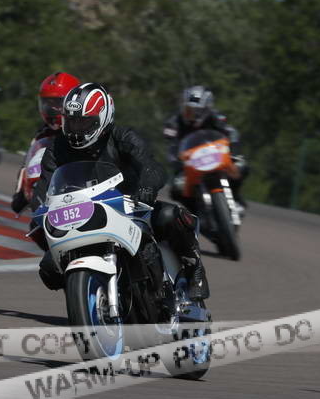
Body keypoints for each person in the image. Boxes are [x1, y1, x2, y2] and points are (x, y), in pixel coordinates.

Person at [30, 82, 210, 301]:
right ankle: (87, 293)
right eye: (72, 121)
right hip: (84, 216)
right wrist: (39, 210)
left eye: (84, 122)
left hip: (132, 209)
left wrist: (146, 187)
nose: (76, 129)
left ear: (103, 118)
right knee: (49, 268)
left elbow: (151, 166)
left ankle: (194, 269)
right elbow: (44, 185)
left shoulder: (123, 136)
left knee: (170, 216)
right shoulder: (57, 148)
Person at [163, 85, 248, 209]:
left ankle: (236, 198)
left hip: (215, 157)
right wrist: (178, 165)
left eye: (196, 111)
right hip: (188, 164)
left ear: (206, 109)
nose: (191, 114)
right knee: (176, 189)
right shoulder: (174, 122)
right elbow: (171, 145)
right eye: (188, 109)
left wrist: (233, 153)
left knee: (241, 166)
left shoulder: (216, 117)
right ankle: (192, 213)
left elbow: (231, 133)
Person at [9, 72, 81, 214]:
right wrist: (22, 192)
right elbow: (26, 164)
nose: (51, 109)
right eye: (48, 103)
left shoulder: (85, 128)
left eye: (57, 103)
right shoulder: (44, 132)